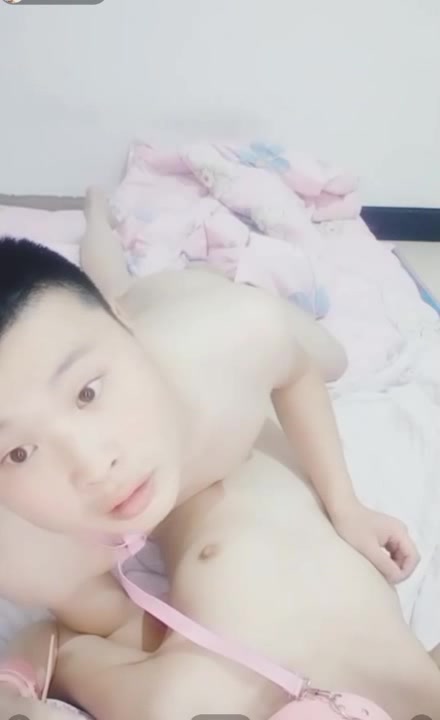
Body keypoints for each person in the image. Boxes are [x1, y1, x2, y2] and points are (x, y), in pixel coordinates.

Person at [0, 187, 418, 641]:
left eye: (87, 393)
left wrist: (346, 507)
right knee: (109, 294)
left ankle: (99, 215)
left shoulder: (232, 342)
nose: (95, 469)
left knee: (333, 360)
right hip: (120, 330)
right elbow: (117, 623)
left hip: (172, 303)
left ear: (123, 328)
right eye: (19, 453)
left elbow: (297, 372)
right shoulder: (25, 557)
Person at [0, 441, 439, 720]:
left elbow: (57, 646)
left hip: (159, 445)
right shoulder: (421, 693)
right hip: (249, 420)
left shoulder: (172, 703)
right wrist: (347, 506)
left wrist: (11, 694)